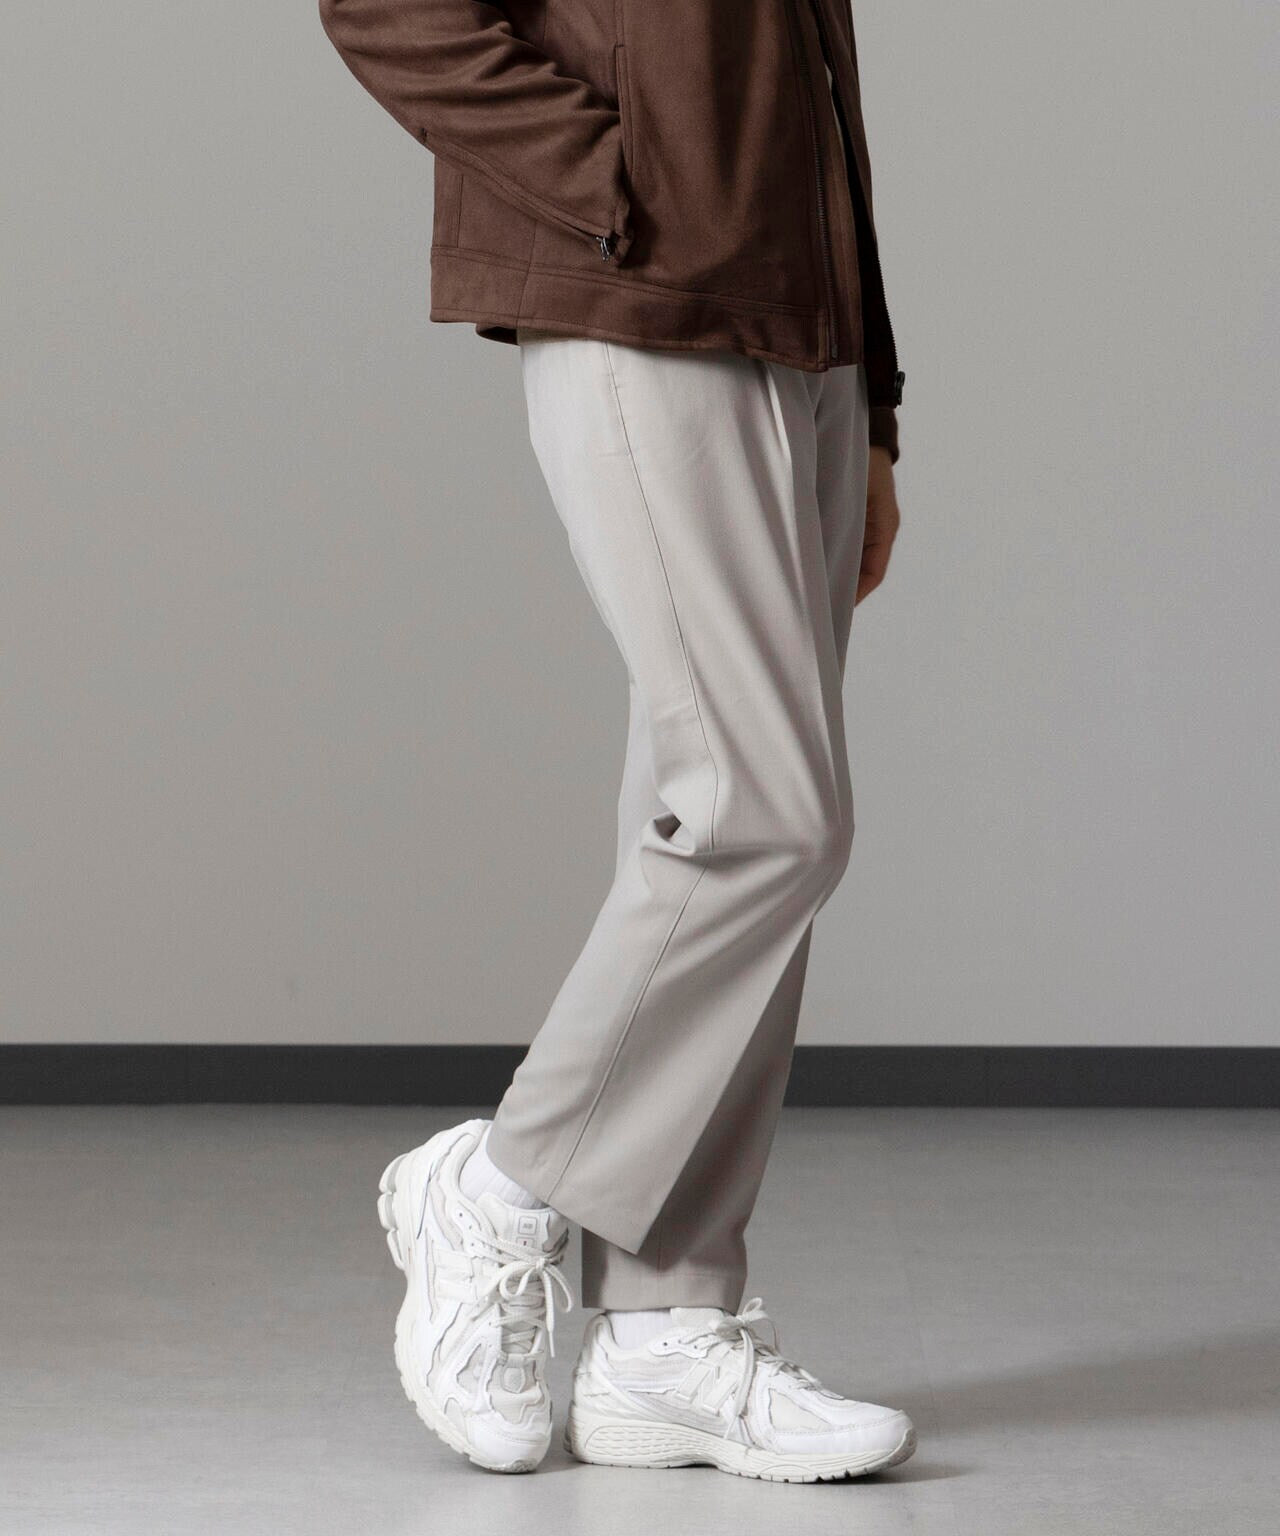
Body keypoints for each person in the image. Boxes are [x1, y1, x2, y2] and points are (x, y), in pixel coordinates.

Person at [320, 0, 915, 1483]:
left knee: (702, 803)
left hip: (804, 324)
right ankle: (499, 1184)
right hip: (650, 294)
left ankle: (668, 1329)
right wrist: (621, 191)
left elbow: (815, 68)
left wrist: (876, 393)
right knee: (762, 815)